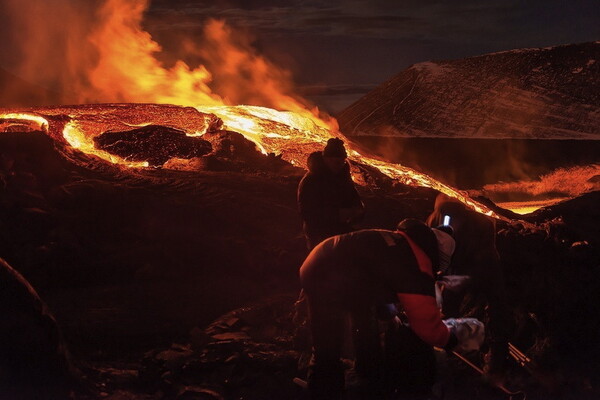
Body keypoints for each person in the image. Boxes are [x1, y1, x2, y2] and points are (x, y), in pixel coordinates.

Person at [299, 219, 465, 399]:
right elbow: (428, 327)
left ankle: (367, 378)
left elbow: (376, 272)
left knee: (364, 326)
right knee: (328, 348)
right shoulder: (416, 266)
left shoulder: (400, 242)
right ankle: (326, 391)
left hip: (323, 261)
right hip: (330, 278)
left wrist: (389, 313)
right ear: (437, 258)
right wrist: (449, 339)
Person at [426, 193, 512, 380]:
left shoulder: (444, 211)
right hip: (488, 263)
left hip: (464, 267)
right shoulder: (481, 207)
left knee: (449, 309)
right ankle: (497, 359)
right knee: (497, 306)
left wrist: (441, 273)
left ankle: (445, 351)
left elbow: (443, 241)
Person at [298, 138, 364, 250]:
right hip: (319, 234)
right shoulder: (311, 181)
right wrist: (338, 214)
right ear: (326, 159)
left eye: (342, 161)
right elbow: (308, 213)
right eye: (335, 161)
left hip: (341, 229)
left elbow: (354, 197)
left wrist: (358, 210)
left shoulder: (343, 177)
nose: (339, 165)